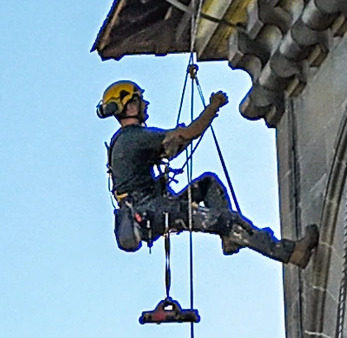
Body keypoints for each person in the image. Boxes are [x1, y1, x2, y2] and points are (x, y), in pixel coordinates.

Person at [100, 80, 319, 268]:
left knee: (207, 183)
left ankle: (228, 238)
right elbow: (189, 134)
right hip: (154, 212)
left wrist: (178, 141)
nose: (145, 105)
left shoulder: (124, 141)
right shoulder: (134, 137)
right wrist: (213, 107)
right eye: (139, 100)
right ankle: (289, 252)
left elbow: (171, 147)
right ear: (129, 106)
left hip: (150, 210)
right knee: (229, 220)